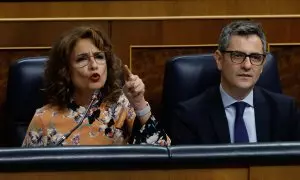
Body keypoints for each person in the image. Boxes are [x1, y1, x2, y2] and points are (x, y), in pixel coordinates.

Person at [22, 25, 170, 147]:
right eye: (82, 59)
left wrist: (139, 104)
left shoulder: (122, 107)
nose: (94, 65)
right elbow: (25, 171)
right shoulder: (44, 119)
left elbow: (163, 153)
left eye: (99, 57)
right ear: (66, 70)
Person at [171, 20, 300, 145]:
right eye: (237, 55)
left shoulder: (285, 111)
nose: (247, 65)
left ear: (262, 65)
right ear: (219, 60)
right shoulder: (189, 115)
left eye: (255, 57)